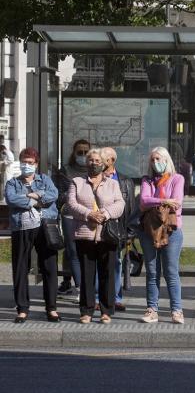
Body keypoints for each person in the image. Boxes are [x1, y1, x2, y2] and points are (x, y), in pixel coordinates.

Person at [65, 149, 125, 324]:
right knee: (87, 275)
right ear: (86, 162)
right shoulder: (76, 182)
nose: (94, 163)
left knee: (107, 273)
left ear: (104, 163)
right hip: (84, 234)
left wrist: (105, 214)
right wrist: (88, 214)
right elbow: (71, 203)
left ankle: (106, 311)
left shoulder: (112, 184)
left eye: (97, 160)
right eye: (90, 160)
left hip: (107, 235)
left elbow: (120, 203)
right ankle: (87, 310)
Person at [5, 147, 61, 323]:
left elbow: (54, 194)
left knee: (49, 267)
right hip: (22, 227)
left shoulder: (45, 179)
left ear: (36, 164)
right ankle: (22, 308)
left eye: (30, 163)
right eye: (24, 162)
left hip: (45, 226)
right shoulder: (13, 182)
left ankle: (51, 308)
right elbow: (11, 198)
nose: (26, 166)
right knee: (20, 267)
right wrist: (33, 200)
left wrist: (36, 194)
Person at [139, 147, 186, 324]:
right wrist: (164, 201)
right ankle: (152, 310)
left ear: (166, 160)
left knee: (171, 272)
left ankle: (177, 310)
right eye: (152, 160)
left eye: (158, 159)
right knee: (152, 271)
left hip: (171, 230)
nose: (155, 163)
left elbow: (177, 204)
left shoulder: (177, 179)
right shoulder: (147, 180)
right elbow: (144, 201)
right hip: (149, 231)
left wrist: (156, 202)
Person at [99, 147, 137, 311]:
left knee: (116, 263)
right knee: (96, 264)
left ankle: (115, 297)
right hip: (97, 227)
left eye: (102, 159)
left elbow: (131, 209)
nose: (98, 162)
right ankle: (96, 297)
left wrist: (129, 232)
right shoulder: (94, 178)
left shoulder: (125, 181)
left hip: (117, 229)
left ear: (111, 161)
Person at [55, 139, 91, 301]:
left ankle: (84, 284)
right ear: (74, 153)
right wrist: (71, 196)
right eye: (80, 152)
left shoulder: (94, 169)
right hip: (70, 214)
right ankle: (77, 286)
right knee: (72, 250)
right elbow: (58, 193)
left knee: (87, 251)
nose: (83, 155)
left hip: (89, 215)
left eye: (86, 152)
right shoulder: (66, 170)